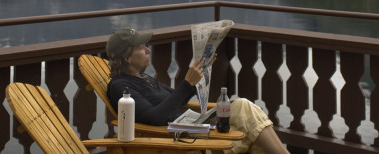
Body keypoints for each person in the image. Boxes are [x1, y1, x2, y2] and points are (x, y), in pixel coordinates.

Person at [106, 28, 290, 154]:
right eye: (141, 47)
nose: (148, 50)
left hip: (192, 126)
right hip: (179, 142)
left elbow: (176, 99)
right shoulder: (121, 87)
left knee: (247, 113)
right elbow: (154, 118)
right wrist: (187, 83)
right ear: (127, 57)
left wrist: (198, 76)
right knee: (249, 121)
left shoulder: (144, 78)